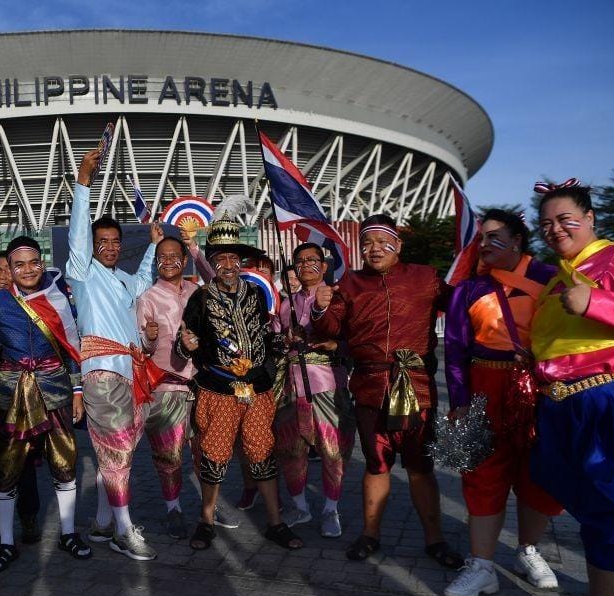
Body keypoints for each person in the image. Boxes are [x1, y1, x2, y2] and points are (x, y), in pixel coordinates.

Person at [527, 179, 614, 596]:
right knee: (590, 500)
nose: (555, 230)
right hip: (565, 406)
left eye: (565, 220)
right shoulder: (558, 279)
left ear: (591, 218)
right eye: (547, 223)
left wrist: (596, 302)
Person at [311, 214, 462, 569]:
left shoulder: (427, 277)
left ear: (399, 245)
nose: (374, 249)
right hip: (369, 387)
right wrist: (320, 305)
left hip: (417, 388)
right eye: (367, 243)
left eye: (382, 241)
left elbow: (464, 306)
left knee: (420, 465)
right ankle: (370, 534)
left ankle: (434, 539)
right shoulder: (350, 283)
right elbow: (328, 328)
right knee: (376, 464)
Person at [442, 210, 563, 596]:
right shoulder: (469, 289)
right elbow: (456, 348)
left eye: (496, 236)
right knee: (482, 472)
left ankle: (528, 550)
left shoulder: (551, 279)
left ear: (517, 241)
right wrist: (459, 401)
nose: (486, 244)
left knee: (539, 473)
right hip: (484, 386)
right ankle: (481, 565)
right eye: (482, 238)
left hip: (542, 389)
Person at [178, 214, 302, 552]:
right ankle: (206, 520)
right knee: (215, 456)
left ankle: (275, 522)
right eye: (221, 258)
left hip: (257, 391)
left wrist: (279, 348)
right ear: (212, 262)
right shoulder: (200, 299)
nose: (229, 264)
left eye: (234, 257)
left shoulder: (256, 295)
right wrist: (185, 344)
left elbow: (264, 335)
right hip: (218, 390)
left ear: (241, 261)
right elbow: (185, 339)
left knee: (262, 453)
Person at [66, 148, 164, 561]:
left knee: (119, 450)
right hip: (102, 373)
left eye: (113, 241)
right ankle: (125, 529)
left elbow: (142, 282)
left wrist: (155, 246)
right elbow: (77, 236)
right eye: (100, 241)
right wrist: (84, 182)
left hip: (132, 372)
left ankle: (105, 523)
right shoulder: (82, 273)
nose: (106, 246)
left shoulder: (123, 278)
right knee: (118, 447)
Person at [0, 235, 92, 570]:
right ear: (10, 270)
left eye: (33, 262)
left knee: (64, 461)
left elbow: (72, 348)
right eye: (19, 265)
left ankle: (68, 533)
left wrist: (77, 392)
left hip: (55, 389)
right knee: (7, 467)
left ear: (41, 263)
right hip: (12, 394)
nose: (27, 270)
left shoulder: (59, 298)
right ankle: (6, 543)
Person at [274, 242, 356, 537]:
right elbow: (277, 340)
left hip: (327, 383)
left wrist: (337, 345)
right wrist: (285, 339)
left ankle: (331, 509)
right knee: (290, 449)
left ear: (324, 266)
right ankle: (300, 506)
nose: (306, 264)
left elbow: (352, 339)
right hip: (291, 385)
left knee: (333, 450)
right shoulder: (286, 304)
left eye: (313, 260)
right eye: (300, 261)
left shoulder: (339, 299)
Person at [0, 250, 42, 544]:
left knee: (23, 460)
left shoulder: (31, 304)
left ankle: (28, 518)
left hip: (22, 396)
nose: (3, 276)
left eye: (8, 269)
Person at [136, 236, 198, 539]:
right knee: (169, 456)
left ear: (184, 260)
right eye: (163, 256)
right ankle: (174, 508)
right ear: (156, 261)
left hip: (201, 385)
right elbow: (141, 349)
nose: (169, 260)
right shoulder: (147, 298)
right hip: (166, 387)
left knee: (207, 452)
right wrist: (148, 336)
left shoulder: (197, 292)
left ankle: (208, 511)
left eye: (175, 255)